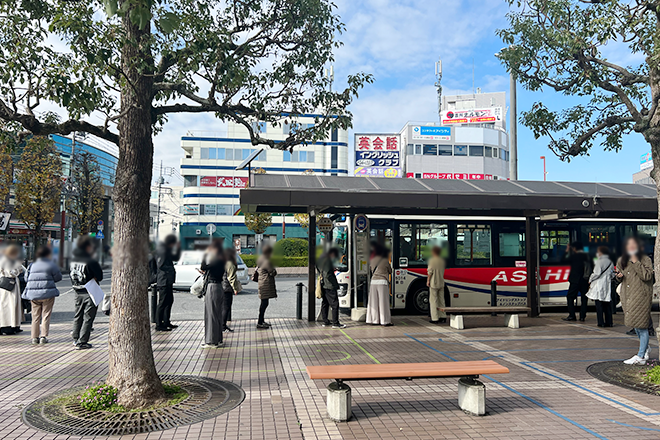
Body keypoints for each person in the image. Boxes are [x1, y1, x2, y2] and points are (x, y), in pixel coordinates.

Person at [616, 237, 654, 365]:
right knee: (635, 325)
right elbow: (621, 277)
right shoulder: (622, 260)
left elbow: (647, 276)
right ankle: (646, 348)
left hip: (641, 297)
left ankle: (641, 356)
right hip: (628, 297)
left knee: (642, 326)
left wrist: (636, 262)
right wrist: (619, 277)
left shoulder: (645, 259)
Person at [22, 246, 62, 344]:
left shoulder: (31, 265)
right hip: (47, 293)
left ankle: (34, 337)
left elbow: (26, 278)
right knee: (46, 315)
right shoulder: (51, 264)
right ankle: (43, 336)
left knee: (35, 316)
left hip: (33, 294)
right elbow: (58, 277)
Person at [70, 236, 104, 349]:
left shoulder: (73, 260)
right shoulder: (91, 260)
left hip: (77, 290)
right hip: (90, 291)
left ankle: (75, 338)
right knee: (88, 317)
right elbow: (99, 276)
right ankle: (82, 341)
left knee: (78, 315)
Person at [200, 240, 226, 348]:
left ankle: (211, 341)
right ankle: (218, 339)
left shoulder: (215, 260)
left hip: (212, 287)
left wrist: (205, 254)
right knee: (217, 314)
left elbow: (203, 267)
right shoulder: (222, 260)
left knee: (211, 314)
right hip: (219, 287)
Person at [155, 234, 181, 331]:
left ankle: (166, 321)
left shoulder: (167, 250)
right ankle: (159, 324)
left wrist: (178, 249)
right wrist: (171, 270)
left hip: (168, 280)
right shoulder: (163, 250)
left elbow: (175, 258)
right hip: (163, 280)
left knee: (169, 300)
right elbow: (160, 265)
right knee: (162, 302)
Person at [562, 241, 592, 322]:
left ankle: (572, 315)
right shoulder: (587, 256)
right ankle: (582, 316)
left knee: (570, 297)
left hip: (575, 280)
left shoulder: (574, 256)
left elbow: (563, 260)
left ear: (574, 248)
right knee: (584, 299)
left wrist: (567, 250)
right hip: (584, 280)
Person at [586, 246, 615, 328]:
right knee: (607, 304)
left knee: (599, 305)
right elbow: (612, 274)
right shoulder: (610, 262)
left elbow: (596, 273)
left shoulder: (599, 261)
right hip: (607, 285)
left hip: (599, 285)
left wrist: (590, 279)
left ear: (601, 252)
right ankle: (609, 322)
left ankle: (601, 322)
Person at [317, 248, 346, 328]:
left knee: (325, 303)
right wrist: (334, 283)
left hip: (323, 284)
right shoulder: (328, 261)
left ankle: (325, 321)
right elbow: (327, 274)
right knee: (335, 304)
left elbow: (321, 272)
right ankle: (335, 323)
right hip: (329, 285)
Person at [0, 244, 26, 335]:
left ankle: (12, 325)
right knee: (10, 306)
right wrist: (19, 267)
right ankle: (8, 326)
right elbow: (11, 273)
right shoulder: (7, 260)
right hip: (9, 287)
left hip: (6, 286)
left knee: (8, 306)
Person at [366, 243, 392, 326]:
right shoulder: (385, 261)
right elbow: (390, 271)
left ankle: (374, 320)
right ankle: (385, 321)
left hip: (373, 282)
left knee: (374, 302)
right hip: (382, 282)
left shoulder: (372, 260)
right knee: (383, 302)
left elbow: (370, 270)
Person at [255, 245, 277, 329]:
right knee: (264, 304)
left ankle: (261, 321)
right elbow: (272, 272)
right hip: (266, 284)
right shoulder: (267, 261)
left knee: (263, 303)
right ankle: (260, 322)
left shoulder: (260, 259)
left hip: (261, 283)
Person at [222, 248, 242, 333]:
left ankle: (222, 325)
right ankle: (223, 326)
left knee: (223, 307)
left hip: (221, 286)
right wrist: (235, 288)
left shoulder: (222, 262)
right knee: (226, 307)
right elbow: (231, 278)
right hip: (226, 287)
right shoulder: (229, 263)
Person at [427, 245, 447, 324]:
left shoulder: (432, 260)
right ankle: (443, 316)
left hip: (434, 282)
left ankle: (435, 318)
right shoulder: (442, 260)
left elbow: (430, 271)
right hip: (441, 282)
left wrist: (428, 280)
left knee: (433, 300)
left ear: (433, 252)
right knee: (441, 300)